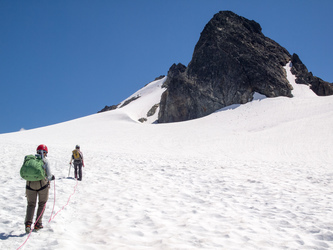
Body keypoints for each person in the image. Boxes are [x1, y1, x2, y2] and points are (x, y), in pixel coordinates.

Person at [24, 144, 54, 233]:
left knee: (31, 204)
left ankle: (28, 224)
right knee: (42, 203)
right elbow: (49, 175)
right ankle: (38, 224)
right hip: (42, 185)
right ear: (45, 152)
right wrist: (52, 178)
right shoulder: (45, 161)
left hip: (29, 185)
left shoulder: (31, 160)